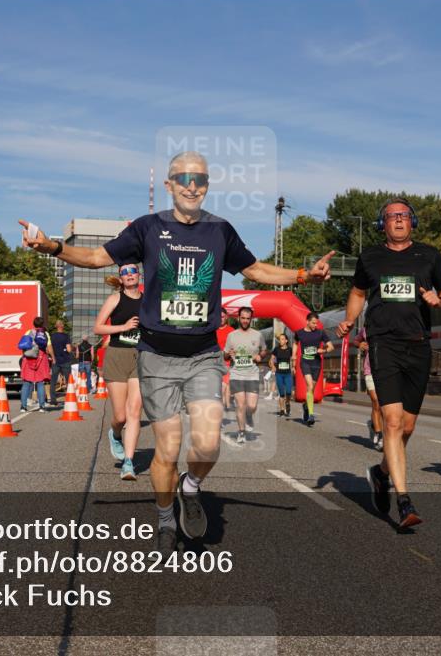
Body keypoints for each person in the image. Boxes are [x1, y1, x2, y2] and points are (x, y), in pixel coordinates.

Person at [20, 151, 333, 554]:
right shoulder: (147, 228)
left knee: (206, 445)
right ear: (169, 185)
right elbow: (97, 258)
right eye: (183, 178)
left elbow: (255, 270)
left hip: (202, 353)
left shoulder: (220, 231)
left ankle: (191, 486)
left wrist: (303, 275)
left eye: (199, 179)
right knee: (167, 448)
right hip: (156, 355)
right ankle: (166, 517)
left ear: (206, 186)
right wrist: (52, 246)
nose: (191, 185)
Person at [336, 197, 441, 529]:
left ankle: (381, 472)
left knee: (407, 427)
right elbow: (359, 292)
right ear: (383, 224)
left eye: (404, 215)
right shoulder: (370, 257)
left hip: (418, 346)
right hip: (383, 344)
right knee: (390, 422)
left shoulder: (429, 255)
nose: (399, 220)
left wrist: (439, 299)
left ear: (412, 221)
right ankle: (404, 501)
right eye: (392, 217)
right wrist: (349, 319)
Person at [93, 264, 143, 480]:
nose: (129, 275)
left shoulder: (148, 299)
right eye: (125, 273)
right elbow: (98, 328)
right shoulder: (115, 299)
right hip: (117, 356)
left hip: (141, 357)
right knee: (120, 416)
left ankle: (129, 463)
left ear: (139, 276)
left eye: (133, 271)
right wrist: (122, 327)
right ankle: (115, 434)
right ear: (121, 279)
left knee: (134, 412)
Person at [223, 307, 267, 444]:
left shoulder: (257, 335)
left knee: (252, 406)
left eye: (248, 318)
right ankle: (241, 432)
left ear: (251, 319)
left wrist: (260, 356)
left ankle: (249, 415)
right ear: (238, 318)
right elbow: (225, 354)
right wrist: (228, 354)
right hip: (236, 374)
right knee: (240, 405)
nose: (245, 321)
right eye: (243, 318)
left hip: (252, 374)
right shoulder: (232, 335)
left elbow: (264, 350)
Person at [295, 312, 333, 427]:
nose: (315, 325)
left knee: (311, 390)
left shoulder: (321, 333)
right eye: (313, 323)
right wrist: (293, 356)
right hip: (305, 362)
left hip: (316, 363)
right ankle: (311, 414)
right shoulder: (299, 333)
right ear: (307, 321)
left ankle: (306, 406)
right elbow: (296, 344)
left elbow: (331, 347)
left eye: (316, 323)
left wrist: (324, 350)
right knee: (310, 386)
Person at [352, 326, 383, 451]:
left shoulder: (390, 325)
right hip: (369, 370)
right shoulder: (366, 329)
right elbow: (355, 340)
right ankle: (379, 434)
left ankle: (373, 425)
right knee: (376, 401)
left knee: (384, 405)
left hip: (386, 371)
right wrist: (359, 345)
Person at [19, 317, 53, 413]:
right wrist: (53, 358)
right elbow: (49, 348)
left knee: (26, 382)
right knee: (40, 382)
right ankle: (42, 406)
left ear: (34, 324)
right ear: (42, 324)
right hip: (41, 359)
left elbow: (23, 345)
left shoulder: (28, 332)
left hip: (28, 358)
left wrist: (24, 355)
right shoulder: (45, 334)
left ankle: (23, 406)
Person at [49, 320, 74, 406]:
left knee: (53, 381)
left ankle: (53, 400)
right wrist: (71, 348)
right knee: (69, 380)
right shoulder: (66, 336)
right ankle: (70, 398)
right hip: (65, 360)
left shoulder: (52, 336)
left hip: (55, 360)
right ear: (62, 326)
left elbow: (49, 348)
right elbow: (69, 349)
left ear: (56, 326)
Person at [269, 332, 294, 417]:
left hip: (287, 374)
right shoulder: (276, 349)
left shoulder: (290, 350)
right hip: (279, 373)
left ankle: (287, 402)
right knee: (281, 393)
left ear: (286, 340)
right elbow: (271, 359)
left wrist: (294, 367)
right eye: (280, 339)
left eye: (283, 339)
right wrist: (272, 366)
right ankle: (282, 410)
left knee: (289, 392)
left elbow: (293, 359)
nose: (281, 341)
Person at [216, 310, 234, 411]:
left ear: (226, 317)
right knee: (217, 391)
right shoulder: (212, 330)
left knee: (223, 389)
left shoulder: (231, 331)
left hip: (227, 364)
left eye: (223, 317)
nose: (221, 319)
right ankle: (221, 410)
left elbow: (236, 347)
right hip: (214, 364)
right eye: (219, 317)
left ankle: (221, 413)